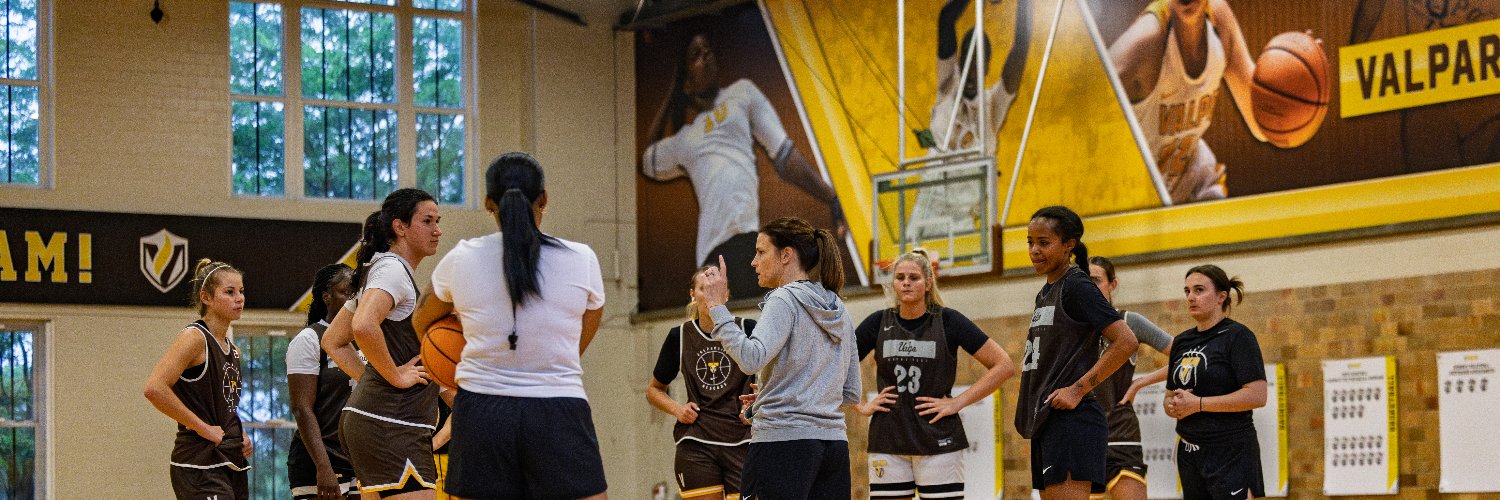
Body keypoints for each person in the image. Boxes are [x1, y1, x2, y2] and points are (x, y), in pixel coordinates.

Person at [411, 152, 608, 499]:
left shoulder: (460, 258)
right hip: (558, 406)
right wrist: (542, 362)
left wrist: (455, 370)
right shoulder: (582, 259)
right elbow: (580, 335)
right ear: (544, 198)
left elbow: (421, 322)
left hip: (482, 411)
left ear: (488, 203)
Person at [642, 33, 844, 302]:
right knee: (715, 334)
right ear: (687, 80)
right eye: (696, 56)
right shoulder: (684, 139)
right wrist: (673, 91)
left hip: (748, 240)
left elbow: (784, 155)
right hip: (712, 250)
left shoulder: (742, 92)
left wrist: (831, 196)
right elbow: (647, 158)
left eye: (708, 49)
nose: (707, 56)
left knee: (754, 326)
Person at [698, 216, 860, 498]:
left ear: (786, 255)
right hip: (833, 447)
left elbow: (750, 359)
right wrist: (774, 394)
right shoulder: (838, 307)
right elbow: (851, 391)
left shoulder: (783, 298)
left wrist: (716, 307)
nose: (753, 262)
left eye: (761, 252)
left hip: (782, 445)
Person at [855, 249, 1016, 499]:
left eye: (914, 277)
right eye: (900, 277)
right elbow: (835, 365)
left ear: (928, 283)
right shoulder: (878, 322)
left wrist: (957, 403)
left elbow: (1004, 365)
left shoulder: (948, 320)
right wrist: (859, 405)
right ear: (893, 283)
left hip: (938, 438)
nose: (906, 282)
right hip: (888, 438)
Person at [322, 188, 444, 499]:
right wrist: (395, 376)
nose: (437, 230)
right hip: (392, 424)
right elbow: (363, 326)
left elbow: (334, 341)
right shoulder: (392, 271)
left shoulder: (380, 270)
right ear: (400, 227)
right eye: (427, 221)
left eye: (438, 221)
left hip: (374, 418)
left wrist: (375, 380)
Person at [1016, 206, 1139, 499]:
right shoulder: (1047, 291)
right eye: (1030, 242)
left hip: (1073, 421)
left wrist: (1077, 389)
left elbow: (1126, 341)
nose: (1034, 250)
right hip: (1049, 420)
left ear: (1069, 244)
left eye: (1044, 243)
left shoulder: (1077, 285)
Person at [1109, 0, 1272, 204]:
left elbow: (1261, 124)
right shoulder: (1146, 40)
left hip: (1195, 187)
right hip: (1138, 203)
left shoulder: (1218, 19)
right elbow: (1075, 112)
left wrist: (1299, 81)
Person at [1126, 265, 1266, 500]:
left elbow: (1257, 396)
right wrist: (1172, 406)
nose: (1191, 297)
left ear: (1221, 297)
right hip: (1190, 452)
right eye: (1187, 291)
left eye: (1199, 290)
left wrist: (1199, 404)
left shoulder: (1238, 337)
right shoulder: (1182, 341)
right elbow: (1170, 398)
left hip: (1231, 451)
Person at [907, 0, 1032, 242]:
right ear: (959, 63)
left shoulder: (993, 104)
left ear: (987, 68)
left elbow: (1021, 47)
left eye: (979, 65)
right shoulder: (947, 87)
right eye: (967, 63)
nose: (972, 73)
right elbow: (946, 18)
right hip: (926, 215)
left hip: (965, 221)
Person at [143, 258, 253, 500]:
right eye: (230, 292)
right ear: (206, 298)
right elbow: (154, 389)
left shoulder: (233, 351)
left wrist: (239, 434)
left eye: (242, 291)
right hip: (198, 463)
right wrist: (203, 428)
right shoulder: (194, 338)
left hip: (230, 460)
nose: (240, 298)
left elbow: (224, 406)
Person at [647, 266, 758, 500]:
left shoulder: (748, 329)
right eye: (703, 288)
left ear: (725, 294)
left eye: (715, 289)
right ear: (692, 294)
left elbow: (778, 376)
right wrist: (678, 409)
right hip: (697, 441)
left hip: (743, 439)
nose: (709, 294)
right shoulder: (679, 336)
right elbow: (654, 390)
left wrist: (760, 400)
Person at [1083, 256, 1173, 500]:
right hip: (1082, 436)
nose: (1090, 287)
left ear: (1113, 284)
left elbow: (1184, 355)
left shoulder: (1128, 322)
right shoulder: (1071, 327)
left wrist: (1139, 383)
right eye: (1085, 281)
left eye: (1096, 280)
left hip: (1120, 434)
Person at [286, 263, 366, 500]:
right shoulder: (309, 339)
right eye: (346, 292)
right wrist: (323, 467)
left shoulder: (366, 336)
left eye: (357, 292)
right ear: (326, 296)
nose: (354, 298)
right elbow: (301, 409)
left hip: (356, 461)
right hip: (319, 462)